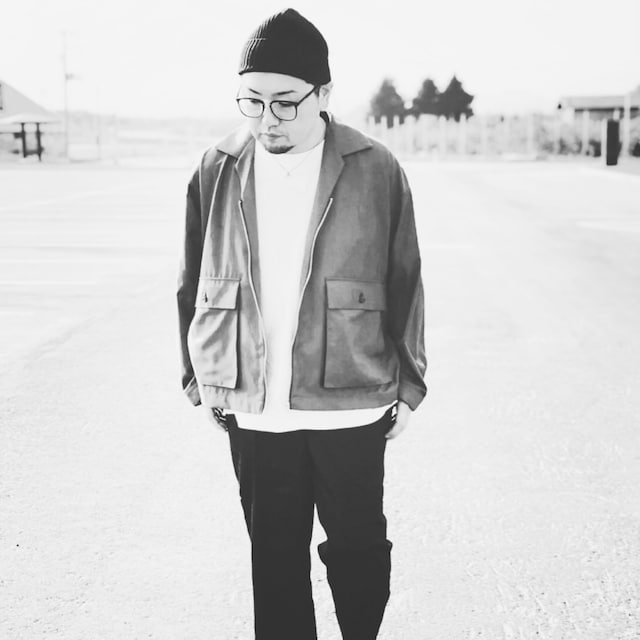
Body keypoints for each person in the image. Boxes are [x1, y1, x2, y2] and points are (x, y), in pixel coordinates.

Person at [177, 8, 426, 639]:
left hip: (350, 398)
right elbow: (192, 280)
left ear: (324, 94)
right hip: (256, 407)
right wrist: (199, 379)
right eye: (252, 101)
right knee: (274, 561)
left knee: (360, 550)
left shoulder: (374, 166)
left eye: (286, 102)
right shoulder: (217, 165)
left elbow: (405, 279)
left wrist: (409, 383)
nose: (268, 119)